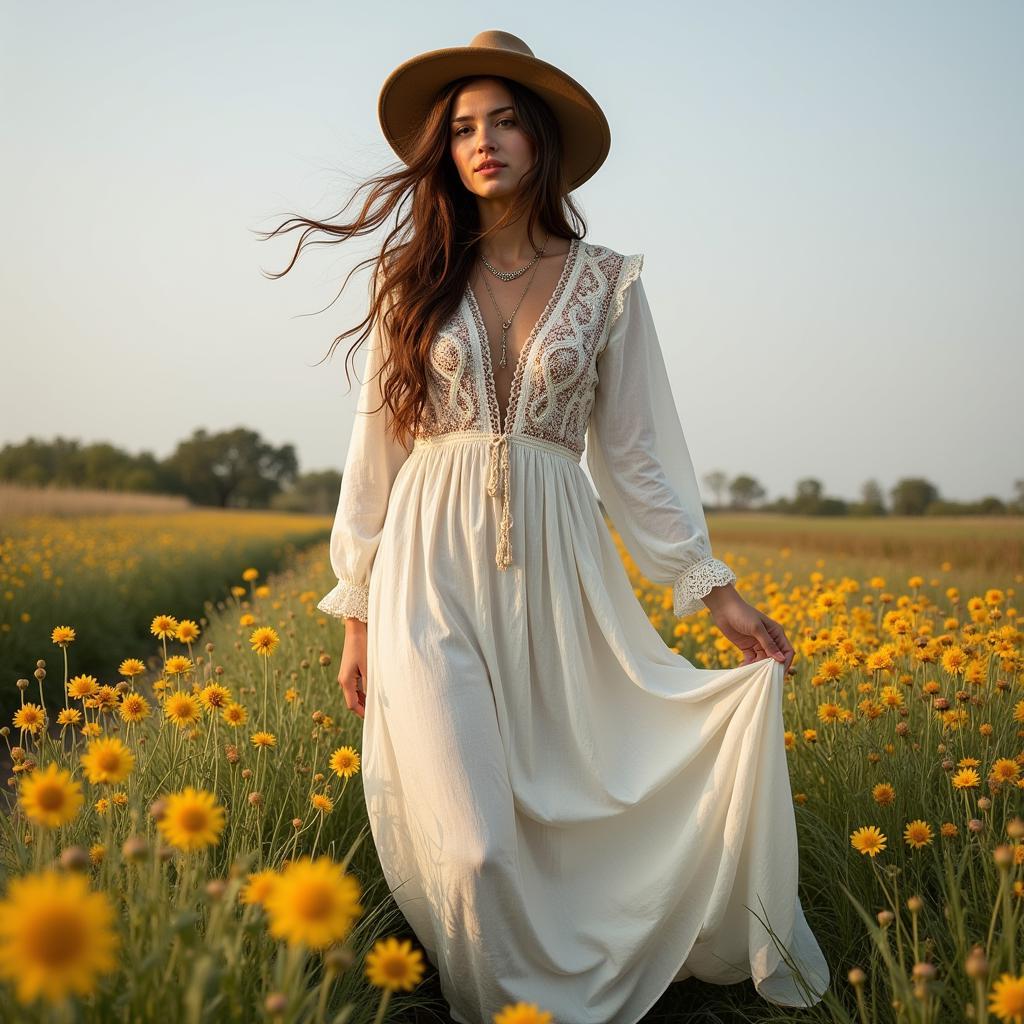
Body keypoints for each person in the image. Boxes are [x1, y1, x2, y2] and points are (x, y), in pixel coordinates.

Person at [311, 29, 830, 1024]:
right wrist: (358, 610)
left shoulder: (606, 283)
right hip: (427, 569)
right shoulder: (409, 278)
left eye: (505, 119)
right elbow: (374, 453)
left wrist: (711, 591)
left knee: (564, 808)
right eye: (462, 126)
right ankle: (494, 1003)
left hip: (557, 571)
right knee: (472, 844)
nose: (483, 141)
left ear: (542, 139)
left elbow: (634, 455)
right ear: (444, 150)